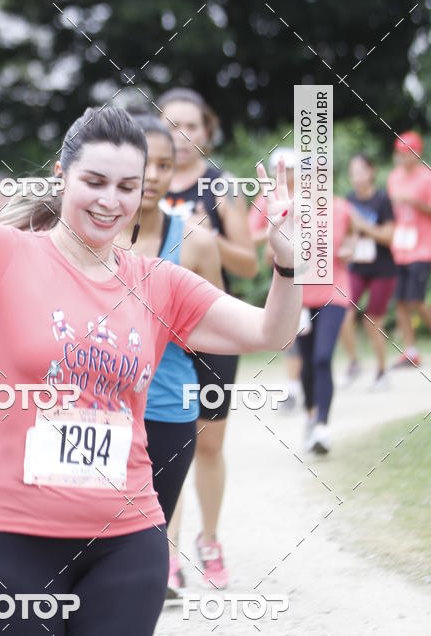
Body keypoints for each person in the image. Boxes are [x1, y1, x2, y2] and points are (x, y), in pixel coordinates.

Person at [0, 66, 301, 636]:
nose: (111, 201)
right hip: (10, 539)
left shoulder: (160, 283)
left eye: (128, 188)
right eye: (95, 182)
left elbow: (269, 333)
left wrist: (287, 263)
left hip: (126, 542)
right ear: (62, 175)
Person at [119, 113, 223, 597]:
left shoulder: (197, 241)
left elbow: (215, 326)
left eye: (164, 164)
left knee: (150, 528)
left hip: (167, 404)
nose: (154, 175)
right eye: (144, 163)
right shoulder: (84, 234)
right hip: (97, 406)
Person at [158, 87, 257, 589]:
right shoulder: (141, 183)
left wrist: (202, 235)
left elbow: (248, 261)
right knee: (168, 441)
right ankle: (168, 556)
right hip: (162, 332)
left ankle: (210, 540)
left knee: (209, 443)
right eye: (171, 125)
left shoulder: (222, 187)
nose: (181, 136)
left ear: (206, 131)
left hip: (215, 330)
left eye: (191, 126)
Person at [248, 147, 303, 410]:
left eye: (292, 169)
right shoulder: (265, 199)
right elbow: (251, 235)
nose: (288, 174)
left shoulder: (308, 196)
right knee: (291, 332)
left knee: (308, 338)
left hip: (312, 277)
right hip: (283, 275)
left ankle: (310, 385)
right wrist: (274, 232)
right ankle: (293, 388)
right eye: (283, 169)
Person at [300, 196, 353, 454]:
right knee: (306, 362)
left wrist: (350, 248)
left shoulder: (341, 208)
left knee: (322, 358)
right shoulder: (292, 209)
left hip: (334, 294)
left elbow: (354, 236)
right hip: (300, 299)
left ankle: (322, 425)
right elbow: (271, 256)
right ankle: (310, 415)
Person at [340, 153, 397, 387]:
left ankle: (382, 371)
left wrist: (364, 226)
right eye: (353, 173)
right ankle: (354, 362)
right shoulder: (348, 201)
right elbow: (344, 234)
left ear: (371, 172)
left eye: (362, 171)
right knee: (342, 312)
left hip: (382, 269)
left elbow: (389, 236)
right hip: (355, 267)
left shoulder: (383, 200)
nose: (358, 177)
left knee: (372, 322)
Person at [387, 131, 431, 368]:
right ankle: (410, 351)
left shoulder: (426, 177)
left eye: (408, 153)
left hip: (422, 248)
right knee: (401, 301)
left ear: (417, 153)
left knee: (416, 300)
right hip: (400, 247)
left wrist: (415, 203)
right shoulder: (393, 178)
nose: (404, 158)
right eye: (400, 153)